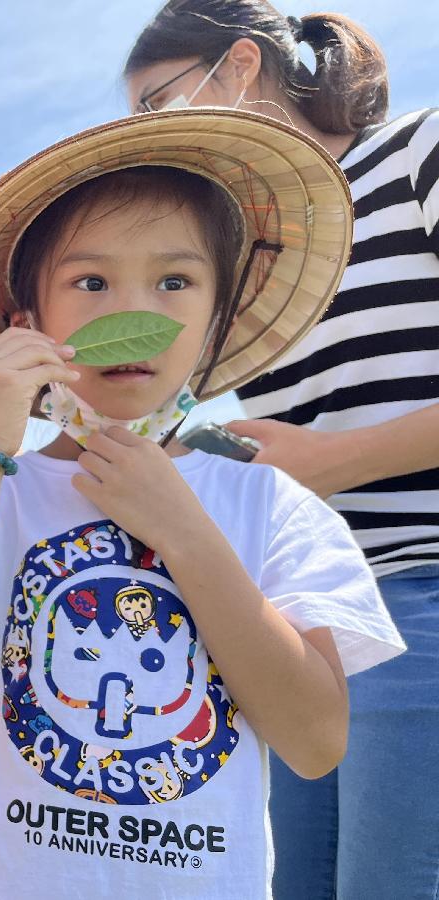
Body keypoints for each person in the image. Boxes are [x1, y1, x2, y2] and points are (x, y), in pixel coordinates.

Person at [0, 109, 404, 898]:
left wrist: (185, 532)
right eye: (90, 282)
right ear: (29, 324)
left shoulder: (271, 505)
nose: (136, 315)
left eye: (175, 281)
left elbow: (315, 741)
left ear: (216, 316)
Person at [121, 6, 439, 895]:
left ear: (242, 65)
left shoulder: (418, 152)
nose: (152, 138)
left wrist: (338, 460)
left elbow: (326, 454)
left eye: (159, 104)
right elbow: (72, 346)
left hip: (425, 588)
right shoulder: (254, 262)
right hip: (309, 621)